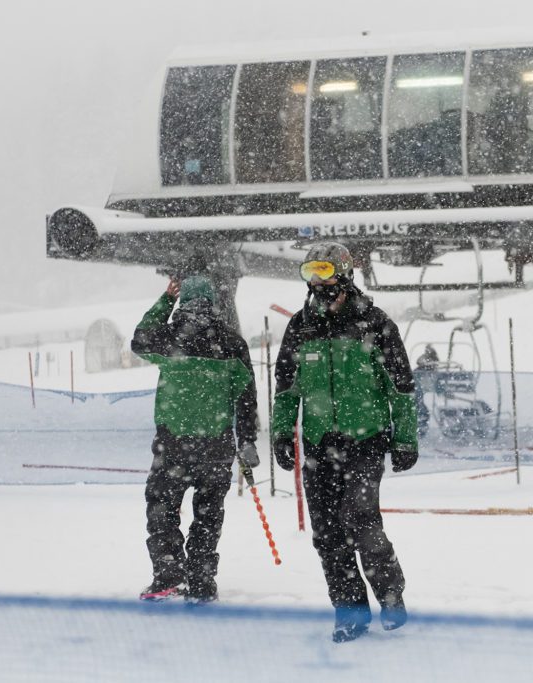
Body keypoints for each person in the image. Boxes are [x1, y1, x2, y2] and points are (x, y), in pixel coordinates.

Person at [271, 242, 419, 642]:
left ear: (344, 273)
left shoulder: (374, 323)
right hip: (321, 444)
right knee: (327, 534)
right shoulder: (300, 327)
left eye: (323, 270)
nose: (317, 280)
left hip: (365, 441)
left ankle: (390, 595)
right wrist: (282, 432)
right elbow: (286, 388)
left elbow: (402, 388)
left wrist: (405, 439)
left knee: (361, 520)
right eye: (309, 273)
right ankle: (350, 612)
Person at [132, 275, 259, 603]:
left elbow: (139, 341)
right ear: (213, 302)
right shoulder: (232, 343)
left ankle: (168, 575)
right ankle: (201, 581)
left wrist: (164, 301)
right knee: (209, 514)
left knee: (162, 509)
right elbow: (246, 397)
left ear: (183, 302)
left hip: (173, 446)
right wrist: (246, 440)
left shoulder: (168, 338)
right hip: (216, 448)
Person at [414, 345, 439, 436]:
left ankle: (420, 429)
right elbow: (419, 362)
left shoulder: (429, 365)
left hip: (417, 387)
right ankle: (420, 428)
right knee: (420, 407)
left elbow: (420, 363)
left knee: (420, 407)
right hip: (417, 387)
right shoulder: (426, 365)